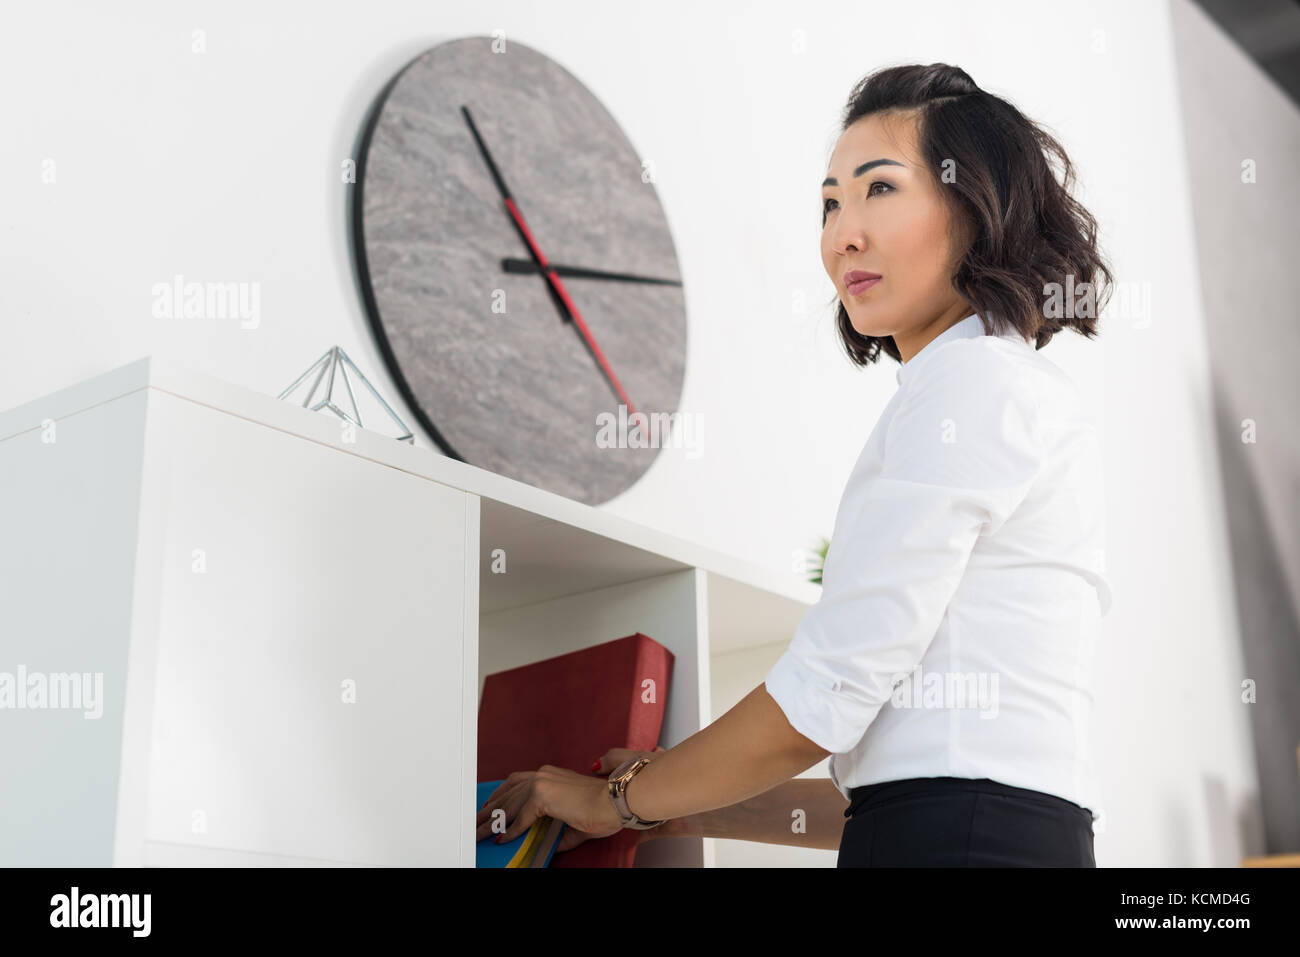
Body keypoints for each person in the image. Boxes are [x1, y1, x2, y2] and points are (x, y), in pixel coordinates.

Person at [475, 62, 1114, 867]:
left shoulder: (969, 385)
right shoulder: (1002, 386)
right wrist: (664, 807)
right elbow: (895, 788)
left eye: (879, 189)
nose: (842, 233)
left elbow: (829, 691)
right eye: (830, 203)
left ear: (977, 203)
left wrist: (615, 796)